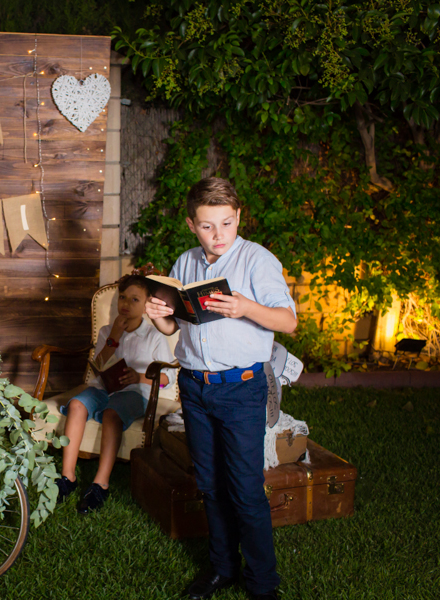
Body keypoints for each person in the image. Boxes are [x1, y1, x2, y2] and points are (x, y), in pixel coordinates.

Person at [145, 177, 297, 600]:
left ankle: (263, 583)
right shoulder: (185, 263)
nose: (219, 236)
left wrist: (245, 307)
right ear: (192, 224)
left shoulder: (256, 260)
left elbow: (288, 322)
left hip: (241, 390)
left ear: (238, 218)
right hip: (195, 388)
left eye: (227, 224)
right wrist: (157, 314)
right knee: (209, 485)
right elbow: (172, 326)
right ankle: (223, 567)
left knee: (245, 489)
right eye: (208, 226)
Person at [54, 274, 176, 514]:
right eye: (122, 297)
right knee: (77, 404)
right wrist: (114, 339)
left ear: (145, 305)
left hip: (134, 392)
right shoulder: (107, 331)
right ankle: (67, 477)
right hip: (103, 388)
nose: (126, 304)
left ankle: (100, 483)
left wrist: (138, 377)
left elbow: (166, 379)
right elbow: (97, 364)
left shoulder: (154, 335)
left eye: (134, 299)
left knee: (111, 414)